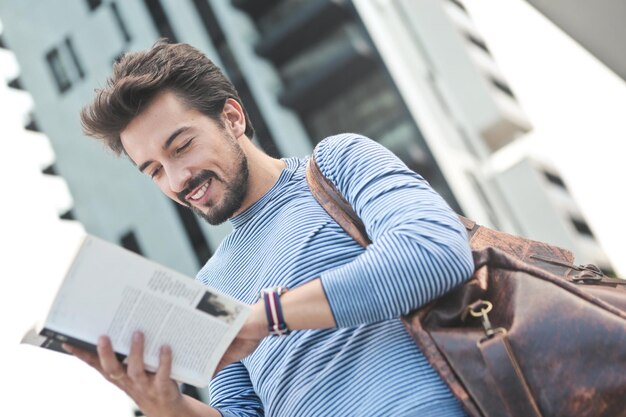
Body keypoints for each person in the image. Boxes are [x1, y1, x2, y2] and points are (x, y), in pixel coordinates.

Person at [68, 40, 474, 417]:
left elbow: (434, 250)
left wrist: (262, 319)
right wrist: (169, 405)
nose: (177, 180)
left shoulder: (337, 163)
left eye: (181, 147)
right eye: (155, 170)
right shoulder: (210, 283)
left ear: (232, 118)